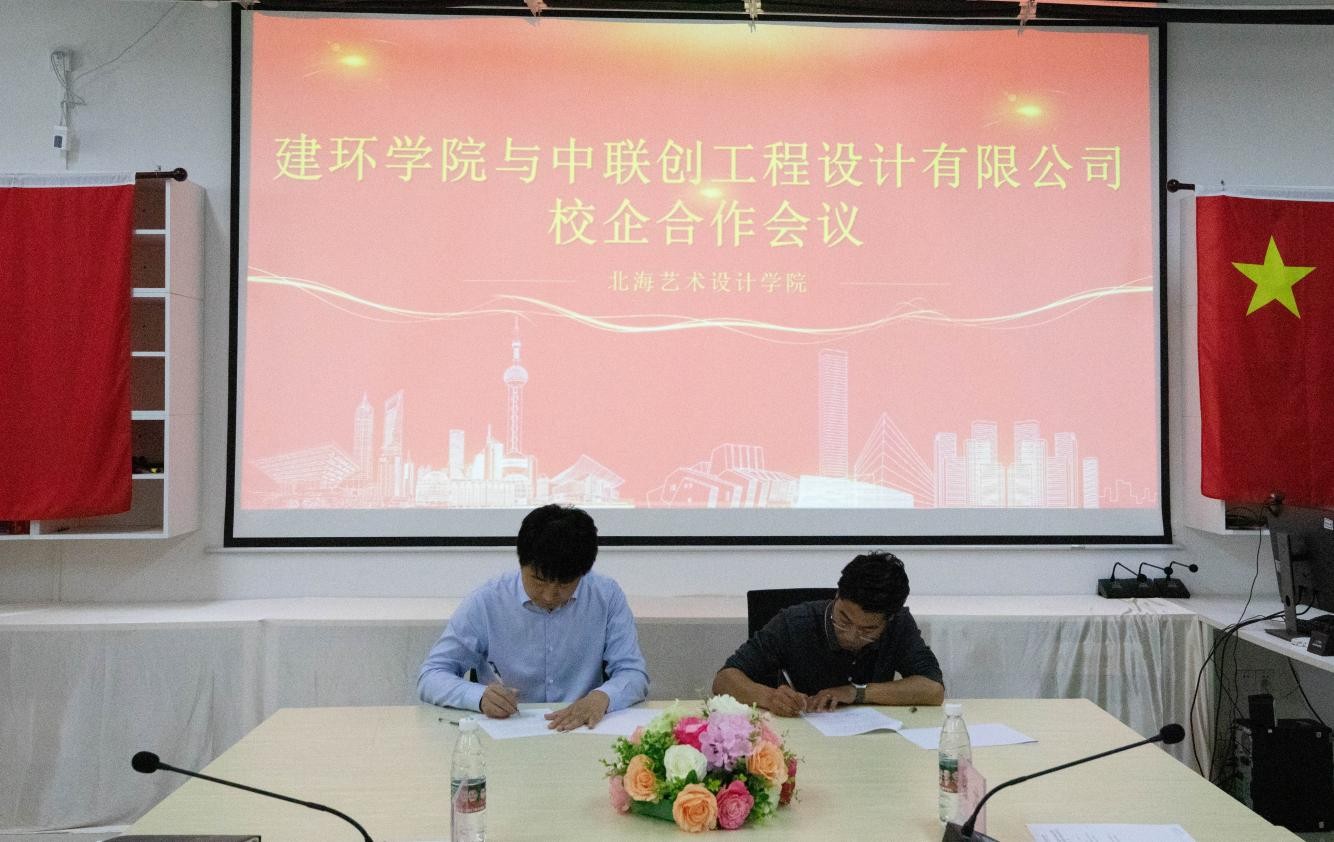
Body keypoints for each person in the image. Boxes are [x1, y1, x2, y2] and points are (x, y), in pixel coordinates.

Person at [418, 504, 649, 730]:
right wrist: (478, 697)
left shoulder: (606, 597)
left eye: (565, 584)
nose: (549, 595)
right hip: (506, 730)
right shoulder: (487, 601)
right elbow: (431, 675)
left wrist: (602, 698)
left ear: (583, 573)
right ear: (522, 563)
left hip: (580, 728)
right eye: (538, 580)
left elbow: (633, 673)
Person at [712, 550, 944, 716]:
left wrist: (856, 693)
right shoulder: (794, 622)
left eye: (868, 630)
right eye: (844, 620)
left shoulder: (899, 624)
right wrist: (770, 697)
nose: (851, 636)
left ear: (889, 619)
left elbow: (933, 690)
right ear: (837, 596)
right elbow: (724, 680)